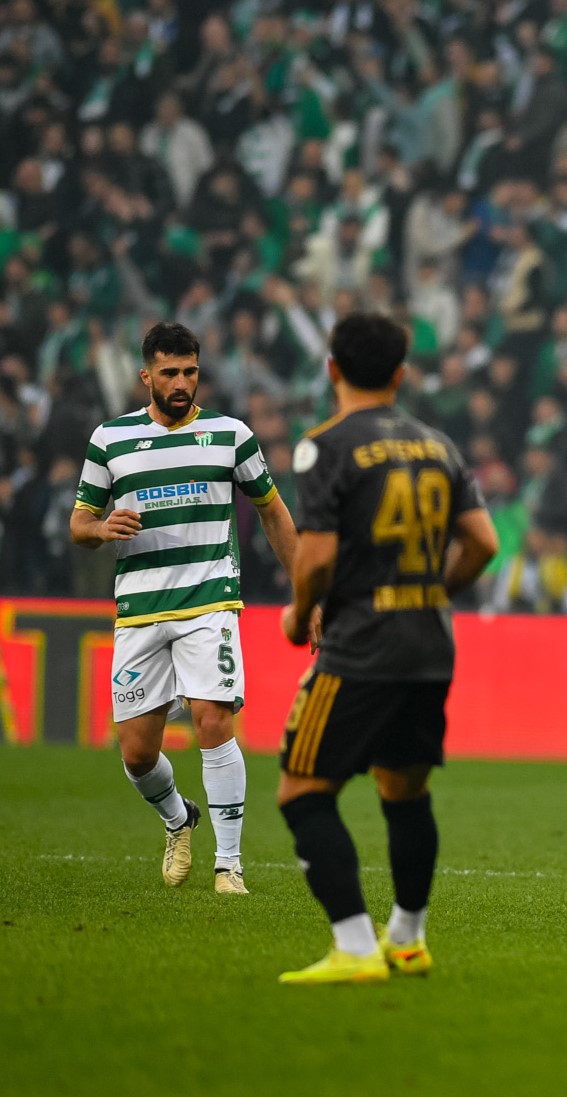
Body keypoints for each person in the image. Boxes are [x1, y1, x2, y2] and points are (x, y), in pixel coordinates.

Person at [274, 313, 498, 985]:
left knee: (303, 791)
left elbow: (316, 558)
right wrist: (431, 590)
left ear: (332, 370)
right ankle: (407, 937)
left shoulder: (324, 446)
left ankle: (353, 946)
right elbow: (483, 542)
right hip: (430, 643)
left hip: (362, 644)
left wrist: (299, 616)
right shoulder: (439, 445)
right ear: (400, 374)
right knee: (404, 788)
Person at [70, 321, 298, 896]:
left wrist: (306, 588)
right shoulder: (110, 439)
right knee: (137, 754)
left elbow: (272, 511)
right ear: (146, 376)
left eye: (190, 372)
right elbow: (78, 524)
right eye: (169, 373)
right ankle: (179, 817)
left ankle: (229, 865)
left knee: (213, 721)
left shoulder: (230, 435)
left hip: (210, 599)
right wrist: (101, 528)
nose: (181, 383)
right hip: (140, 608)